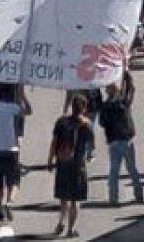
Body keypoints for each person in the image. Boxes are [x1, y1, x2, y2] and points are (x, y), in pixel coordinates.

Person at [50, 93, 97, 235]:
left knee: (64, 197)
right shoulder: (86, 124)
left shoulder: (61, 122)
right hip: (78, 165)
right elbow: (91, 146)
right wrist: (89, 156)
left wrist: (50, 159)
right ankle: (71, 229)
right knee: (76, 199)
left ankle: (60, 223)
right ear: (83, 108)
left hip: (63, 163)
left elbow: (54, 142)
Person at [0, 82, 29, 222]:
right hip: (10, 150)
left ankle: (1, 206)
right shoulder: (11, 108)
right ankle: (9, 202)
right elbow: (28, 111)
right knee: (13, 180)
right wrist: (23, 95)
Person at [98, 74, 143, 205]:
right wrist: (128, 77)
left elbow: (102, 122)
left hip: (114, 141)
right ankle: (138, 195)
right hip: (127, 139)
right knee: (132, 169)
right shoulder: (124, 103)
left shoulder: (106, 106)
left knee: (114, 171)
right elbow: (131, 90)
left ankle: (113, 198)